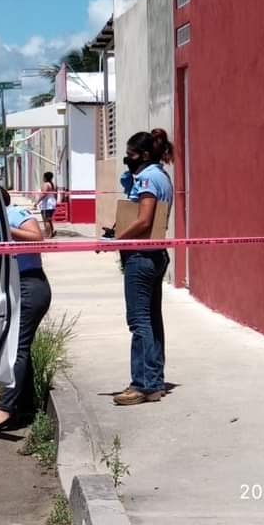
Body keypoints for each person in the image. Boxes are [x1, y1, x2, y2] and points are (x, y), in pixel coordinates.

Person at [0, 186, 52, 432]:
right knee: (19, 347)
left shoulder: (13, 213)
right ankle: (23, 408)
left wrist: (3, 228)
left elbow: (38, 240)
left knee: (16, 348)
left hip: (30, 285)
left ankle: (5, 410)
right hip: (15, 288)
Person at [113, 129, 174, 406]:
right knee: (151, 320)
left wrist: (114, 239)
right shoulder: (160, 175)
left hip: (141, 256)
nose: (128, 159)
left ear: (145, 155)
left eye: (131, 155)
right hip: (155, 254)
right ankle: (155, 380)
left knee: (139, 322)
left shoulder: (148, 178)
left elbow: (143, 221)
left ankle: (143, 384)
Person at [36, 172, 58, 238]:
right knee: (49, 219)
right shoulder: (52, 184)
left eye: (43, 176)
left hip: (47, 204)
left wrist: (37, 202)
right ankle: (51, 232)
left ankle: (48, 234)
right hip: (51, 203)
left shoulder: (46, 184)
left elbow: (44, 194)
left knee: (46, 220)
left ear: (45, 177)